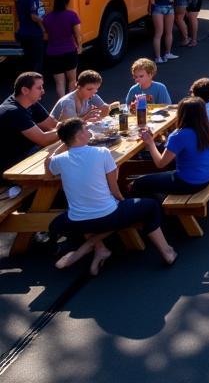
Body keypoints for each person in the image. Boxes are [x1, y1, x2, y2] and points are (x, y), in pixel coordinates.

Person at [47, 118, 177, 275]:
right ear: (80, 135)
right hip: (107, 216)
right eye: (85, 129)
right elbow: (114, 188)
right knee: (151, 206)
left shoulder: (59, 160)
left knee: (88, 209)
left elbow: (49, 167)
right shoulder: (102, 152)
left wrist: (63, 143)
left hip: (77, 222)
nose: (89, 131)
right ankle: (167, 251)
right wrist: (124, 202)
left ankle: (98, 248)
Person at [131, 96, 209, 197]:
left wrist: (151, 143)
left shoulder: (179, 135)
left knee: (138, 183)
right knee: (160, 168)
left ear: (181, 114)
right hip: (205, 177)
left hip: (188, 183)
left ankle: (156, 208)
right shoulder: (205, 129)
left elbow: (160, 164)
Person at [1, 72, 58, 173]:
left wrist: (79, 123)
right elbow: (43, 139)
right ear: (25, 90)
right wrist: (74, 129)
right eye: (39, 88)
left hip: (26, 153)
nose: (43, 91)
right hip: (10, 166)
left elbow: (52, 125)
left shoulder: (30, 102)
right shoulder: (12, 111)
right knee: (62, 152)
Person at [43, 0, 82, 98]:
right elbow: (77, 34)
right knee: (72, 80)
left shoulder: (47, 17)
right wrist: (80, 46)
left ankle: (62, 103)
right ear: (67, 2)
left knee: (59, 83)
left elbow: (46, 35)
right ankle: (70, 103)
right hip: (69, 51)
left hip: (53, 53)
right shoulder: (72, 15)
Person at [15, 0, 46, 74]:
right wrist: (43, 25)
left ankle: (27, 82)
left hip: (23, 32)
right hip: (33, 33)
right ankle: (35, 84)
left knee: (27, 61)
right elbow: (33, 16)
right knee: (36, 63)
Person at [148, 0, 177, 64]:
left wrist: (151, 7)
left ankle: (158, 57)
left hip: (158, 8)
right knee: (169, 32)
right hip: (169, 7)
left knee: (158, 33)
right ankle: (168, 53)